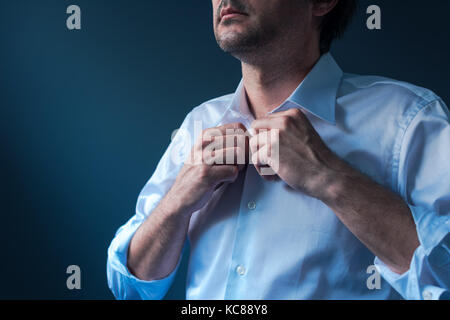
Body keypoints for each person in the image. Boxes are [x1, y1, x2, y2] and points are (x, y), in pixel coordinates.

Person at [107, 0, 450, 300]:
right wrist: (177, 202)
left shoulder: (408, 119)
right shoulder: (199, 122)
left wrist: (329, 179)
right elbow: (131, 285)